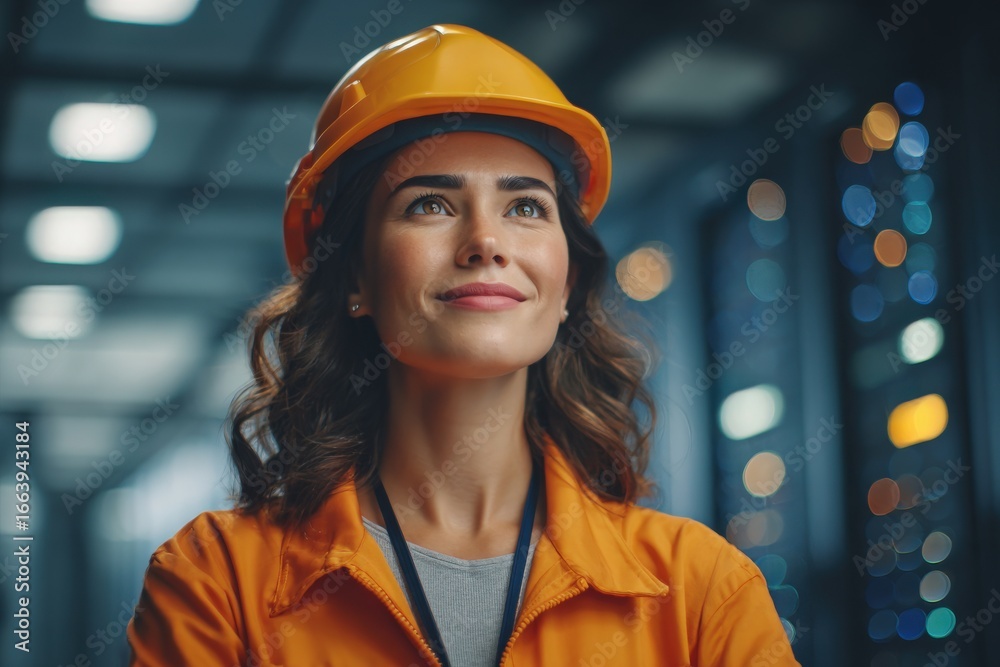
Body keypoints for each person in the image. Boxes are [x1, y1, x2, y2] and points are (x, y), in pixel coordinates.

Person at [126, 23, 801, 667]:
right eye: (430, 204)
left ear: (565, 285)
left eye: (526, 207)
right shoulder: (218, 583)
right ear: (355, 275)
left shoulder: (701, 591)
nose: (486, 241)